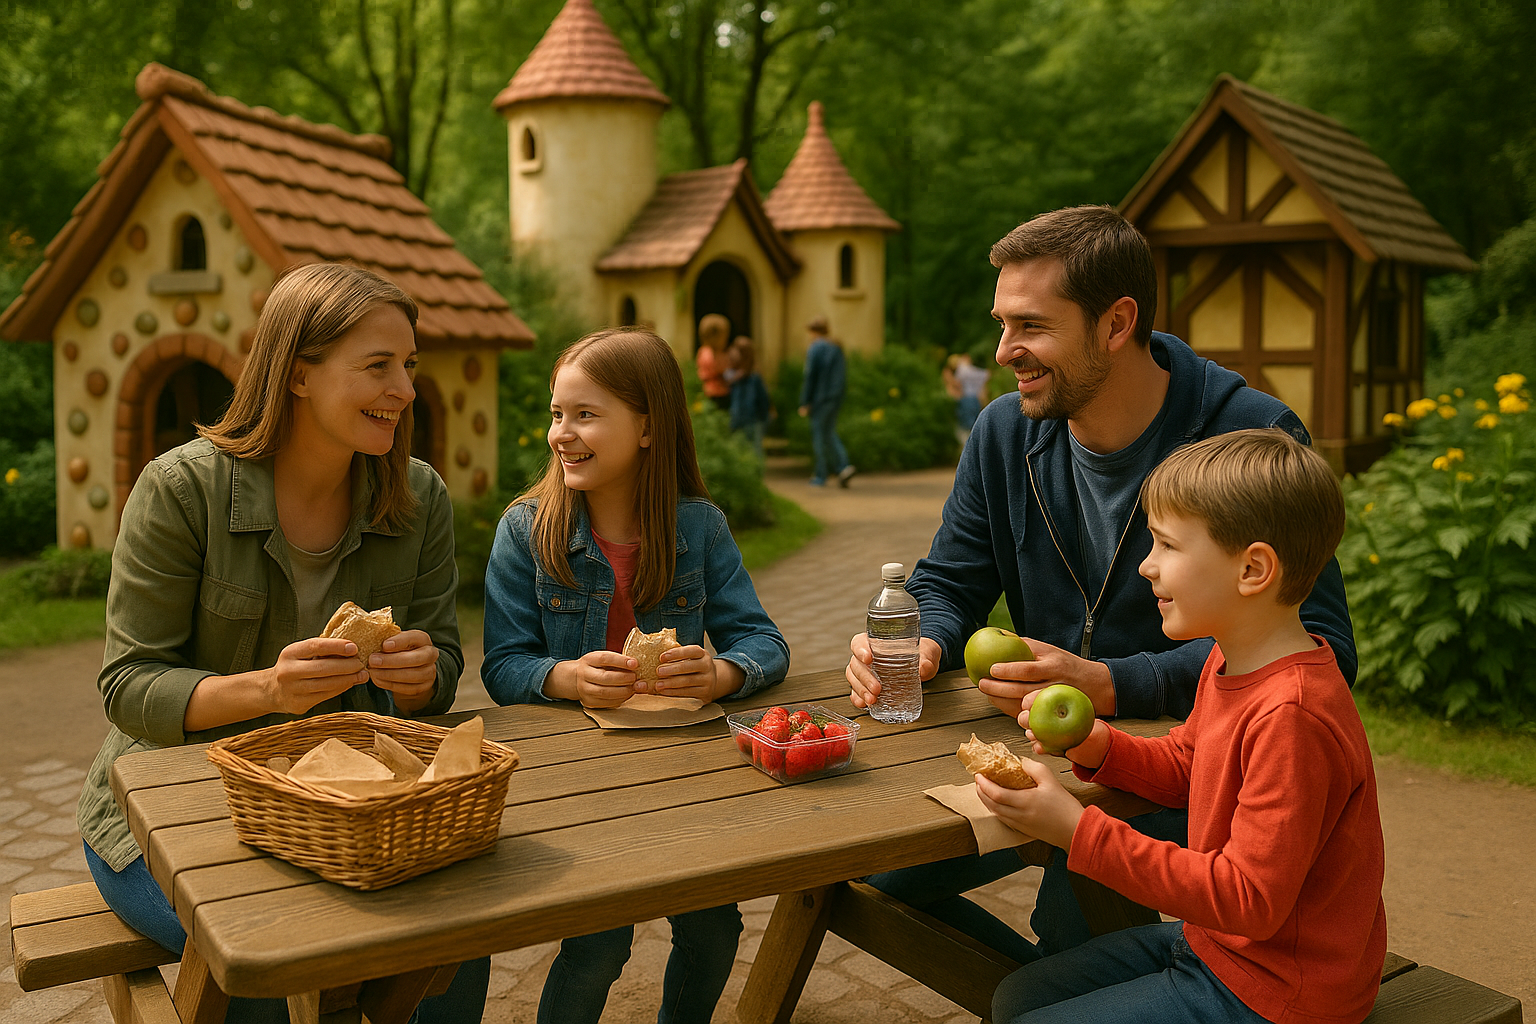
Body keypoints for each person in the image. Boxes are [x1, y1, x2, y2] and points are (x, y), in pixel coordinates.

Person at [844, 205, 1357, 965]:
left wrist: (1111, 682)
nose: (1004, 352)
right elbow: (952, 577)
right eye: (1001, 324)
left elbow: (1325, 648)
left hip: (1190, 770)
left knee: (1074, 928)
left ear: (1117, 324)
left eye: (1030, 327)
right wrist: (926, 637)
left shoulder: (1248, 436)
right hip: (1055, 749)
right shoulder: (1003, 431)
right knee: (875, 875)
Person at [75, 262, 487, 1023]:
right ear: (299, 375)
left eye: (409, 366)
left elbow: (445, 674)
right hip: (169, 815)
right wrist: (267, 690)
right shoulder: (179, 490)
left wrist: (420, 674)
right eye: (377, 367)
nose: (404, 388)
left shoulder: (418, 495)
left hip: (347, 813)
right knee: (276, 970)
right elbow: (129, 684)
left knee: (457, 948)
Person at [984, 429, 1385, 1024]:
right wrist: (1097, 744)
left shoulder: (1292, 716)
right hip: (1217, 948)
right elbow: (1188, 766)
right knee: (1016, 997)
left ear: (1252, 569)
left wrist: (1077, 830)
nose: (1147, 566)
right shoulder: (1229, 660)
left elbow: (1249, 900)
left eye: (1168, 546)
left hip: (1282, 993)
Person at [479, 327, 790, 1024]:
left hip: (684, 776)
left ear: (648, 427)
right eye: (558, 413)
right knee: (598, 944)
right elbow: (503, 665)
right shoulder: (526, 531)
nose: (562, 433)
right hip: (582, 781)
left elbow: (763, 642)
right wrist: (567, 678)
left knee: (715, 931)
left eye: (586, 415)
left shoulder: (700, 529)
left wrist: (722, 674)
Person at [798, 314, 856, 487]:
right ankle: (844, 466)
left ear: (813, 331)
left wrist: (804, 401)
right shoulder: (835, 347)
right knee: (829, 433)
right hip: (834, 398)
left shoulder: (815, 348)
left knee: (819, 436)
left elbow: (810, 377)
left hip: (819, 399)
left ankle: (821, 475)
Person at [726, 335, 773, 459]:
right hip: (736, 421)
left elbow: (763, 400)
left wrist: (763, 418)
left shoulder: (753, 377)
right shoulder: (730, 375)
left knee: (755, 453)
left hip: (753, 421)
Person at [950, 350, 991, 446]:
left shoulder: (962, 370)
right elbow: (986, 375)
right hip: (975, 399)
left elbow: (957, 384)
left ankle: (970, 447)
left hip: (966, 398)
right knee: (974, 423)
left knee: (967, 425)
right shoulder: (968, 369)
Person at [695, 312, 733, 412]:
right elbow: (722, 370)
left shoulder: (704, 351)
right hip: (717, 393)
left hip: (715, 391)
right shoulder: (710, 354)